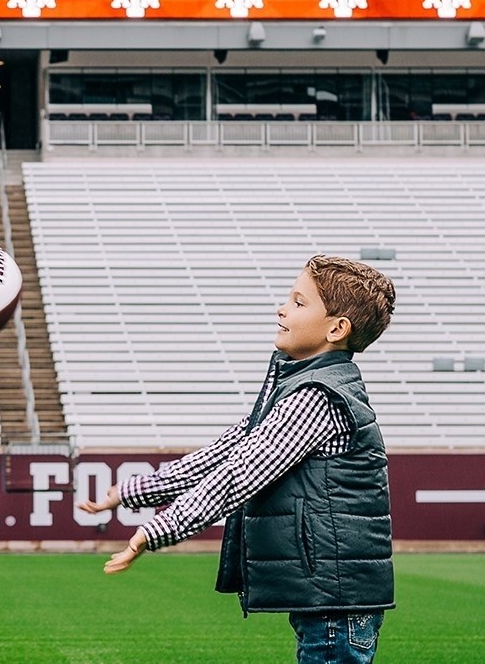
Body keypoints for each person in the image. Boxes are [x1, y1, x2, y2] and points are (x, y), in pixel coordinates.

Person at [79, 255, 397, 664]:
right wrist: (130, 492)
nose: (282, 308)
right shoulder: (298, 387)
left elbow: (239, 475)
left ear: (336, 329)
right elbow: (222, 453)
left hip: (336, 602)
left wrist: (155, 531)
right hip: (330, 597)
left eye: (299, 302)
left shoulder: (315, 397)